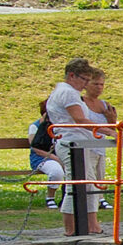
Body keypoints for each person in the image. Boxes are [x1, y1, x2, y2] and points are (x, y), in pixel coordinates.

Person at [44, 57, 114, 233]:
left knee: (87, 184)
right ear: (72, 75)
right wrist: (108, 131)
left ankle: (91, 225)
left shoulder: (66, 91)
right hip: (73, 143)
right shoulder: (68, 92)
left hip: (77, 142)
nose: (85, 85)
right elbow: (80, 119)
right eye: (83, 79)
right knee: (76, 185)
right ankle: (72, 228)